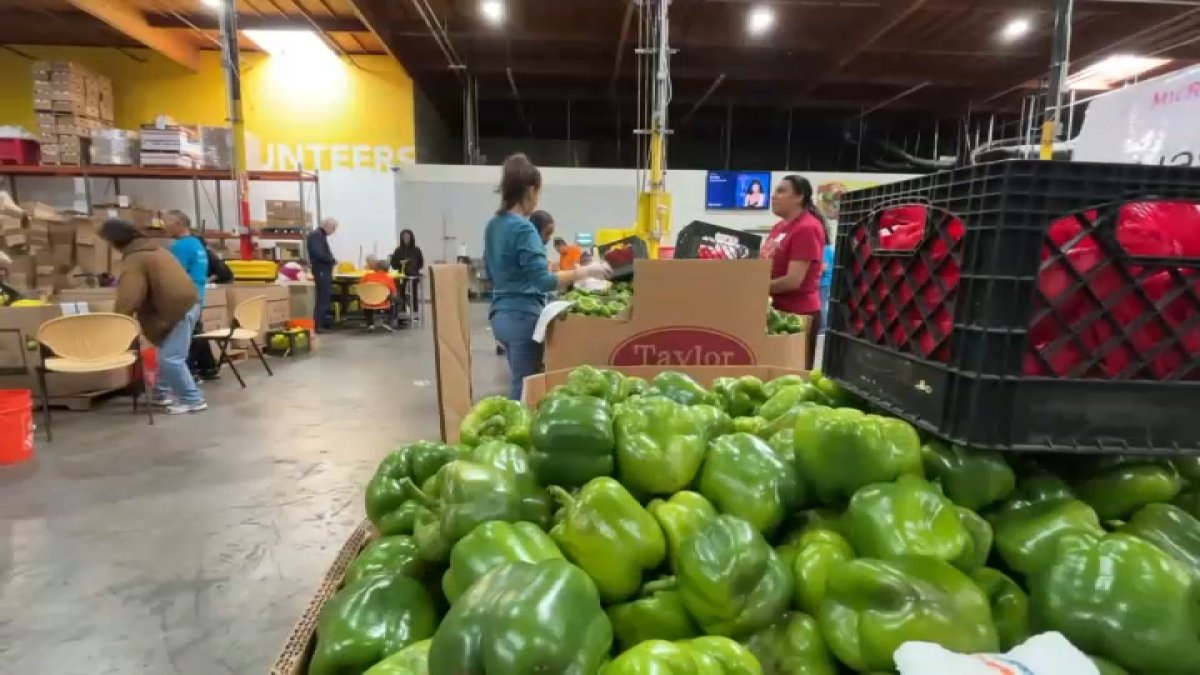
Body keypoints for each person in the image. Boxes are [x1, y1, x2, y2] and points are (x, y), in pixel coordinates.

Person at [485, 154, 611, 400]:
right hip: (523, 316)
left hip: (500, 316)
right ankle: (511, 438)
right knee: (525, 391)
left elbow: (491, 271)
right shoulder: (524, 228)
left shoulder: (494, 225)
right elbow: (543, 281)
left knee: (519, 382)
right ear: (531, 190)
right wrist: (587, 271)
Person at [100, 218, 205, 415]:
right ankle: (161, 393)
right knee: (166, 353)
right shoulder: (154, 249)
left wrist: (117, 321)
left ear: (114, 241)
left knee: (171, 358)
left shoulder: (136, 257)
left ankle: (193, 399)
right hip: (185, 303)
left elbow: (130, 294)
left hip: (177, 308)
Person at [761, 175, 827, 367]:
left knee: (792, 375)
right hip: (776, 311)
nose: (774, 196)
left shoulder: (807, 228)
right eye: (774, 191)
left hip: (798, 315)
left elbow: (793, 280)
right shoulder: (778, 228)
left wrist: (756, 289)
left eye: (781, 191)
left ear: (799, 196)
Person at [306, 217, 338, 330]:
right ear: (327, 226)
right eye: (333, 228)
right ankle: (317, 325)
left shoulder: (319, 236)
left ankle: (321, 322)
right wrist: (331, 259)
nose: (333, 231)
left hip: (323, 270)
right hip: (321, 270)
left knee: (325, 297)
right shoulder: (317, 236)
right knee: (323, 297)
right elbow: (317, 253)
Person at [390, 229, 425, 314]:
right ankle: (402, 311)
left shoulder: (416, 250)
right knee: (401, 293)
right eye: (404, 237)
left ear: (411, 238)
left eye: (408, 237)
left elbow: (421, 263)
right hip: (401, 275)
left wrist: (413, 264)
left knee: (414, 293)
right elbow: (393, 264)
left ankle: (415, 311)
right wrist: (400, 263)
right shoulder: (398, 250)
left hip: (413, 274)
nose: (406, 239)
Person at [359, 259, 398, 330]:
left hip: (367, 302)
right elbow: (394, 293)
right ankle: (389, 322)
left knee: (369, 297)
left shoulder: (366, 276)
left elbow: (360, 288)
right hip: (382, 303)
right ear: (387, 268)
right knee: (396, 300)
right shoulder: (388, 278)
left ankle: (370, 324)